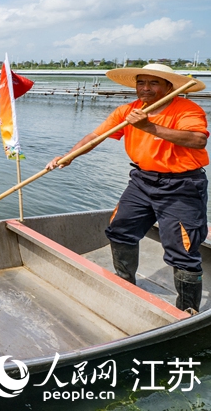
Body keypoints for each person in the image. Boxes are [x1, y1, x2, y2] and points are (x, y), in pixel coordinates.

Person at [46, 64, 208, 313]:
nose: (145, 88)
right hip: (142, 181)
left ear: (169, 86)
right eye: (141, 82)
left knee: (182, 249)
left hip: (181, 185)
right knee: (120, 230)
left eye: (154, 83)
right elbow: (96, 136)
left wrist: (149, 127)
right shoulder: (128, 111)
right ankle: (125, 282)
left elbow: (198, 140)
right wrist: (70, 155)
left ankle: (187, 311)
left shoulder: (186, 109)